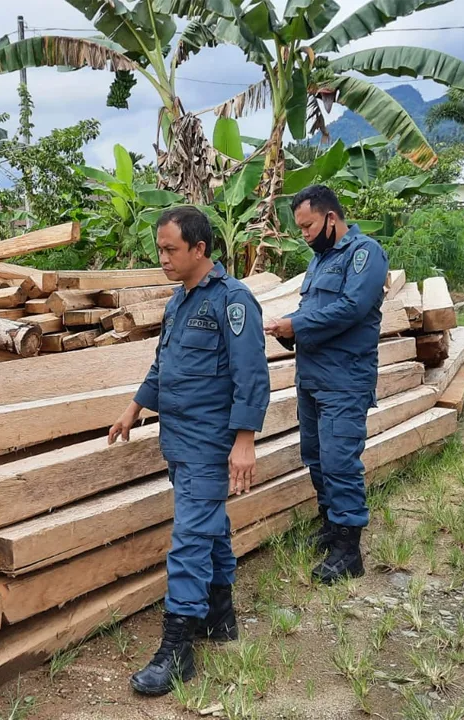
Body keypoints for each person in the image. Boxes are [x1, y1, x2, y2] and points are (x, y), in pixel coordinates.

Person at [109, 206, 270, 697]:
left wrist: (245, 440)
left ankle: (177, 649)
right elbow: (163, 365)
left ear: (200, 249)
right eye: (159, 250)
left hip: (209, 442)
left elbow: (252, 375)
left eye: (171, 250)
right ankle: (220, 618)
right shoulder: (178, 302)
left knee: (189, 542)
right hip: (176, 439)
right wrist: (135, 406)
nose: (163, 259)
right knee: (211, 530)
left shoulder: (233, 301)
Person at [264, 185, 387, 585]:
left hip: (344, 381)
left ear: (331, 218)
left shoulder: (364, 254)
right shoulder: (318, 262)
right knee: (316, 458)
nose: (304, 235)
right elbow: (312, 310)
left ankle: (349, 550)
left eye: (308, 226)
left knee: (339, 463)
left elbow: (352, 308)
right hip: (312, 377)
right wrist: (286, 329)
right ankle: (331, 525)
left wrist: (295, 324)